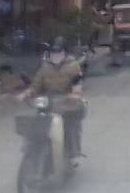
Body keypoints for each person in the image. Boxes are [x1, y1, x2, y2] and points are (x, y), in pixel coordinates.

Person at [19, 36, 86, 164]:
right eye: (53, 52)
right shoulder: (44, 67)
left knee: (71, 125)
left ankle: (71, 153)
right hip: (48, 103)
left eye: (59, 52)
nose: (56, 55)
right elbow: (35, 86)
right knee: (33, 122)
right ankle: (30, 147)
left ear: (65, 53)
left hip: (68, 104)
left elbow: (77, 85)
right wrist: (26, 94)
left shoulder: (73, 66)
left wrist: (75, 94)